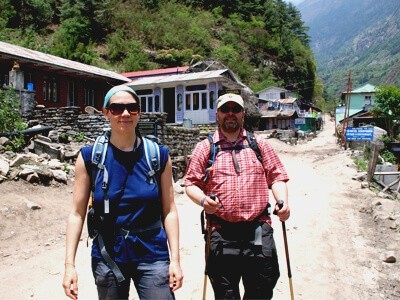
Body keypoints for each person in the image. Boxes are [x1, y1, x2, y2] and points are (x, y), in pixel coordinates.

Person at [62, 85, 183, 300]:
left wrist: (175, 260)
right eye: (117, 108)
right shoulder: (90, 157)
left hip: (152, 252)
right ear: (106, 112)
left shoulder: (158, 155)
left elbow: (169, 210)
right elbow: (77, 213)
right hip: (109, 254)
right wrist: (69, 265)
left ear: (139, 112)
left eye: (132, 108)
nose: (125, 114)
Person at [184, 93, 290, 299]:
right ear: (217, 114)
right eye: (225, 109)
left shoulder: (259, 144)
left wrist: (282, 202)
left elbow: (277, 176)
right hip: (221, 231)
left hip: (258, 227)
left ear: (243, 114)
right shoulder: (205, 148)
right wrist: (204, 201)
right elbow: (191, 184)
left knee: (261, 289)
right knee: (225, 294)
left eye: (235, 109)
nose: (230, 114)